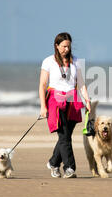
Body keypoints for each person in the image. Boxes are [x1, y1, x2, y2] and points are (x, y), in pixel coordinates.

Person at [39, 32, 91, 178]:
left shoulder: (76, 61)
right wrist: (43, 106)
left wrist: (87, 100)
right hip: (55, 100)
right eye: (63, 46)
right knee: (63, 135)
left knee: (66, 136)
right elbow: (42, 85)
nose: (66, 49)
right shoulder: (48, 61)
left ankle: (54, 163)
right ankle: (69, 168)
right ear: (56, 46)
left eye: (68, 46)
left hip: (72, 100)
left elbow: (80, 84)